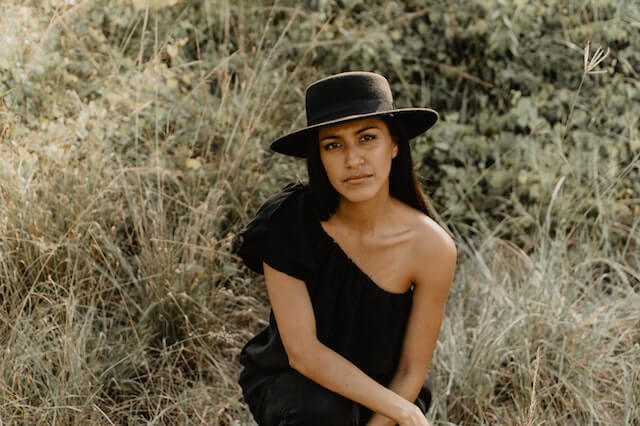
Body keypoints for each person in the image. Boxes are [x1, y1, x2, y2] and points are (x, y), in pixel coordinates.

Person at [236, 71, 457, 426]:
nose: (353, 160)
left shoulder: (431, 247)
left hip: (386, 395)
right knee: (324, 412)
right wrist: (404, 412)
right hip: (299, 389)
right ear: (319, 157)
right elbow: (303, 353)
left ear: (394, 145)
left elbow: (410, 369)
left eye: (368, 138)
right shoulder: (286, 223)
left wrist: (395, 412)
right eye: (333, 145)